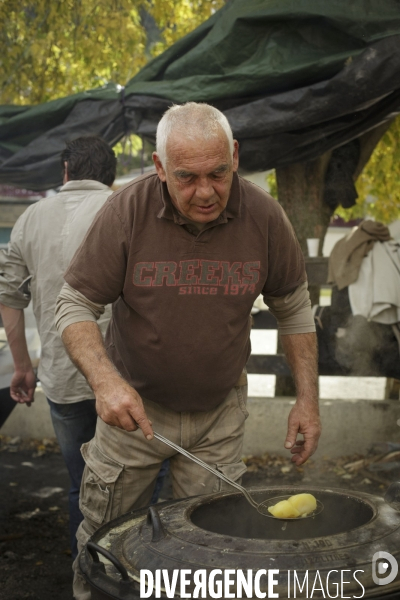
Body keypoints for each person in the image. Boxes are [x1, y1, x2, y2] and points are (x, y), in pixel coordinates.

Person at [55, 103, 321, 600]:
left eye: (218, 173)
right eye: (187, 177)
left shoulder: (264, 215)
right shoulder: (126, 212)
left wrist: (307, 398)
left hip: (218, 420)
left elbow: (295, 307)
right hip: (132, 416)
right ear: (159, 169)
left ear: (235, 156)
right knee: (105, 542)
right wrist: (105, 381)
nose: (206, 192)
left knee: (212, 549)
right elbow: (74, 304)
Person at [0, 136, 117, 559]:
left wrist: (22, 366)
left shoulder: (31, 218)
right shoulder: (126, 209)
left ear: (65, 172)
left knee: (82, 484)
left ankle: (86, 573)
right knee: (142, 483)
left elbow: (9, 296)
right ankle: (135, 573)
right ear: (112, 174)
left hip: (63, 376)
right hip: (125, 380)